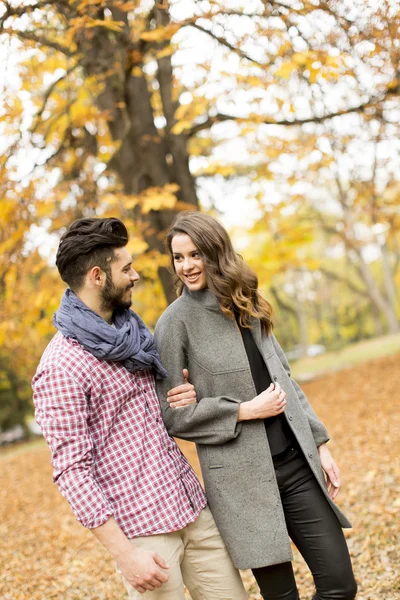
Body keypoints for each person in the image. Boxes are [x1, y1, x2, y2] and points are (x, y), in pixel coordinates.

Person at [32, 217, 248, 600]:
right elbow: (71, 471)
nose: (135, 276)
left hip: (191, 507)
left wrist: (184, 395)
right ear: (98, 276)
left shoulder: (133, 334)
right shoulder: (60, 367)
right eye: (126, 268)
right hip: (145, 534)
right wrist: (125, 554)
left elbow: (156, 412)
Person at [154, 211, 358, 600]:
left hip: (295, 466)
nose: (186, 266)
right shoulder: (173, 323)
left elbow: (286, 378)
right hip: (239, 482)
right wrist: (243, 411)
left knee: (339, 585)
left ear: (216, 253)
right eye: (178, 257)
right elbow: (171, 415)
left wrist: (320, 442)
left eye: (195, 254)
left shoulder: (246, 303)